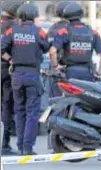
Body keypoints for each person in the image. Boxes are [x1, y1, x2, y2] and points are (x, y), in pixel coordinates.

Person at [1, 2, 50, 155]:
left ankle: (20, 146)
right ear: (34, 15)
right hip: (33, 75)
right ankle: (27, 148)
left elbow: (1, 48)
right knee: (32, 112)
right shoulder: (39, 31)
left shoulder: (12, 30)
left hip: (16, 75)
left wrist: (10, 59)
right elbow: (47, 47)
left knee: (19, 110)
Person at [49, 2, 101, 82]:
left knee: (68, 94)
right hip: (87, 73)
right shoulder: (93, 32)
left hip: (69, 73)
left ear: (67, 16)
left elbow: (52, 51)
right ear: (81, 14)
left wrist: (56, 66)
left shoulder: (64, 31)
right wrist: (98, 73)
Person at [0, 1, 24, 155]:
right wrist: (11, 59)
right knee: (7, 108)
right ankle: (5, 145)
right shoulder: (15, 26)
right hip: (7, 71)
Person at [45, 1, 69, 97]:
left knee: (56, 100)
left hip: (57, 68)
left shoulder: (53, 28)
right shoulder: (76, 27)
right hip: (72, 68)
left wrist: (55, 66)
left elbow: (48, 49)